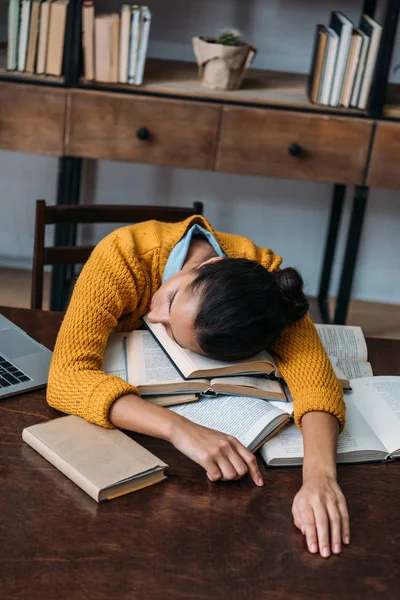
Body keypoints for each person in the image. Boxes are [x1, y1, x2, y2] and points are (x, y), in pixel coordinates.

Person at [48, 215, 348, 559]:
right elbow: (66, 376)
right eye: (173, 298)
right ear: (211, 265)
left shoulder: (264, 289)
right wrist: (181, 430)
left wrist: (320, 478)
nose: (156, 316)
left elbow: (315, 379)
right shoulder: (123, 255)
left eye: (175, 335)